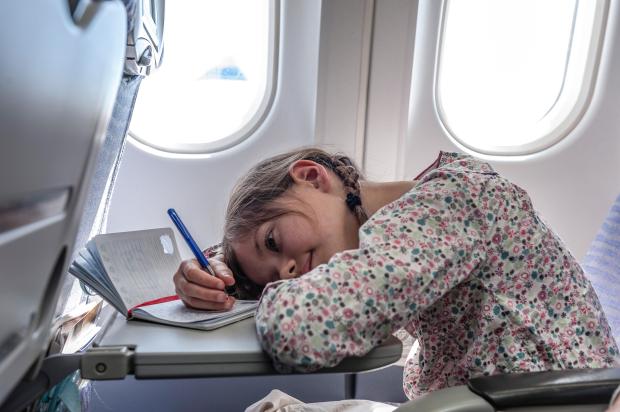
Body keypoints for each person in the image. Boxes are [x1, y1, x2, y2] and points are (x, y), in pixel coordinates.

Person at [173, 148, 619, 400]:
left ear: (311, 176)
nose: (288, 272)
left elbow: (299, 330)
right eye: (276, 279)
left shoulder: (444, 206)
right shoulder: (408, 222)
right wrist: (218, 270)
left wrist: (269, 292)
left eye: (273, 243)